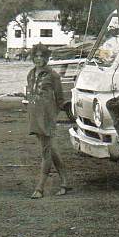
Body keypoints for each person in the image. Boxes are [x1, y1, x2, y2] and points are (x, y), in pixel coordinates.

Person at [26, 42, 69, 199]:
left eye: (42, 56)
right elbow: (30, 94)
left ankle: (40, 187)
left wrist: (52, 116)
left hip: (47, 118)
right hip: (34, 116)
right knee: (50, 150)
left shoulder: (53, 75)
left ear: (47, 58)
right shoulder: (31, 74)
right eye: (35, 56)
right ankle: (65, 182)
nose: (38, 59)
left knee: (46, 151)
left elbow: (60, 100)